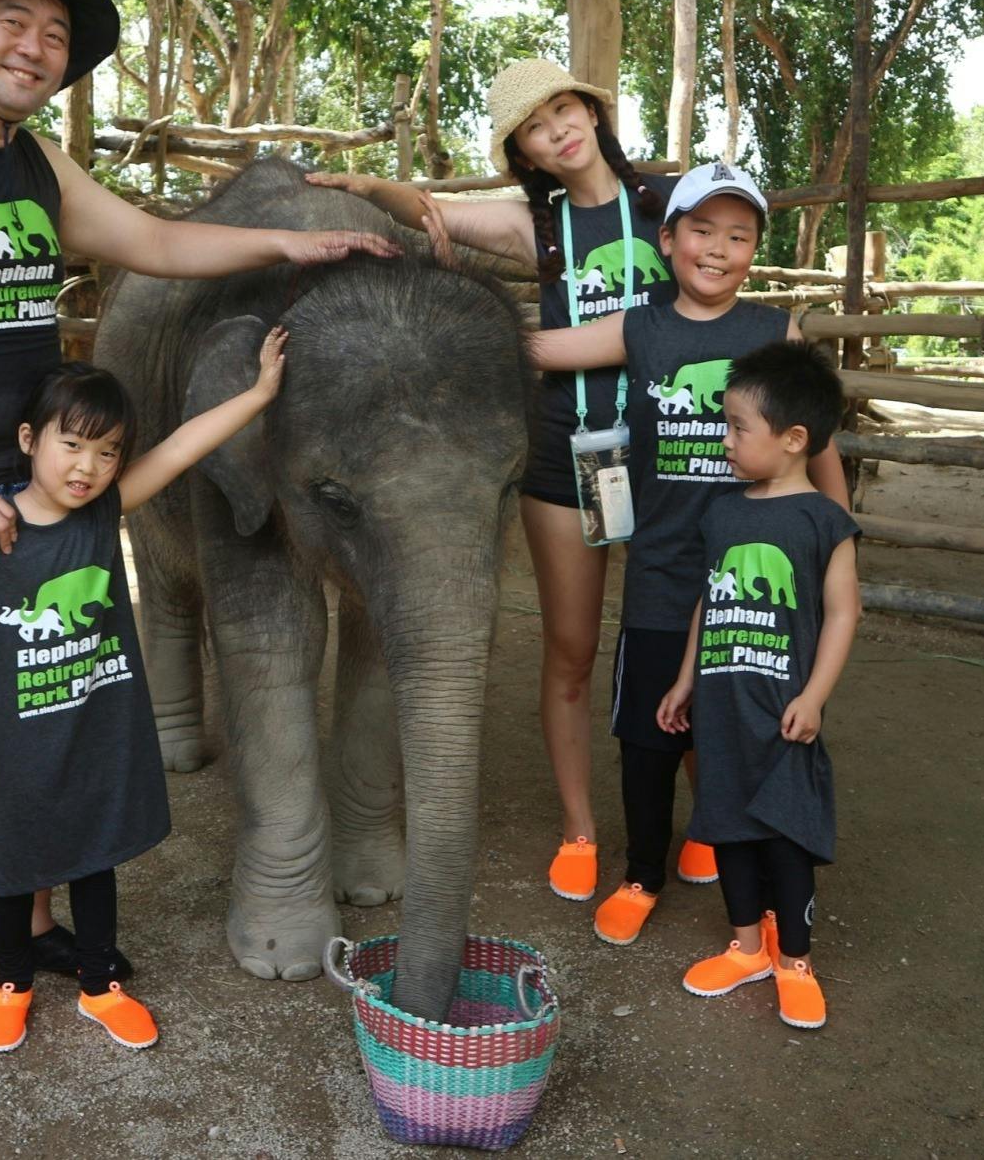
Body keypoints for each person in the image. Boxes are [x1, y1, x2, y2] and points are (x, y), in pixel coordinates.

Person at [0, 0, 392, 1083]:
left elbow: (155, 244)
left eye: (56, 38)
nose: (35, 49)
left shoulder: (38, 170)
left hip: (36, 491)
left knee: (45, 720)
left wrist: (291, 239)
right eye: (16, 22)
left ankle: (40, 924)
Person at [307, 58, 690, 904]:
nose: (558, 127)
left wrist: (514, 346)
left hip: (675, 446)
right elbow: (436, 213)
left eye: (565, 107)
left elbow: (670, 321)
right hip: (567, 453)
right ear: (524, 152)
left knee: (679, 641)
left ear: (591, 111)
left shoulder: (670, 203)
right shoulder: (540, 225)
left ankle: (703, 818)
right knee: (569, 650)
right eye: (534, 125)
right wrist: (368, 186)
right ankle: (580, 827)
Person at [528, 160, 851, 948]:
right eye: (700, 230)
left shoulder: (775, 330)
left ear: (753, 251)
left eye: (738, 235)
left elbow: (820, 441)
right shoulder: (641, 326)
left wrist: (836, 534)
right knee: (647, 737)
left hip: (758, 578)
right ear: (666, 239)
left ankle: (751, 874)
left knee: (751, 727)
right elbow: (545, 346)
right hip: (666, 568)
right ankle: (642, 873)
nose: (718, 248)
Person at [0, 330, 289, 1053]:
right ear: (28, 439)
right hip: (14, 732)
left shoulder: (104, 512)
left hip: (98, 723)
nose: (89, 466)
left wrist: (260, 392)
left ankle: (100, 983)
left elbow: (177, 449)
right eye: (73, 444)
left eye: (107, 452)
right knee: (12, 857)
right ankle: (11, 980)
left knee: (94, 851)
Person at [655, 341, 861, 1030]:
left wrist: (814, 695)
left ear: (793, 438)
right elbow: (708, 602)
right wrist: (686, 678)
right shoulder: (722, 513)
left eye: (738, 426)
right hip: (721, 708)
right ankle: (745, 946)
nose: (725, 439)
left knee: (785, 834)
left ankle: (793, 960)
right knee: (726, 825)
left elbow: (842, 612)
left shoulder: (824, 520)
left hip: (782, 712)